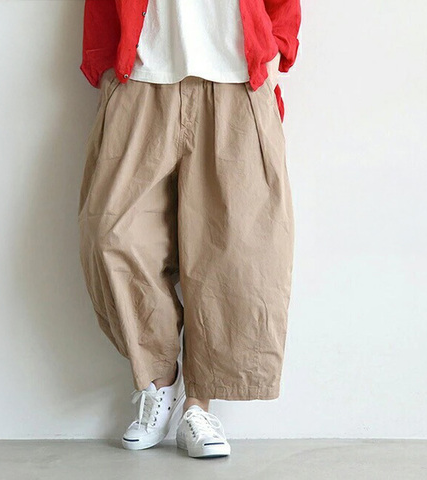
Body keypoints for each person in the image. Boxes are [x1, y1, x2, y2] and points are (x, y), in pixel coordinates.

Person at [77, 0, 301, 458]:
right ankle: (161, 379)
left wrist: (276, 48)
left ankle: (199, 406)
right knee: (112, 235)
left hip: (236, 79)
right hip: (142, 76)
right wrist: (103, 62)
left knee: (237, 250)